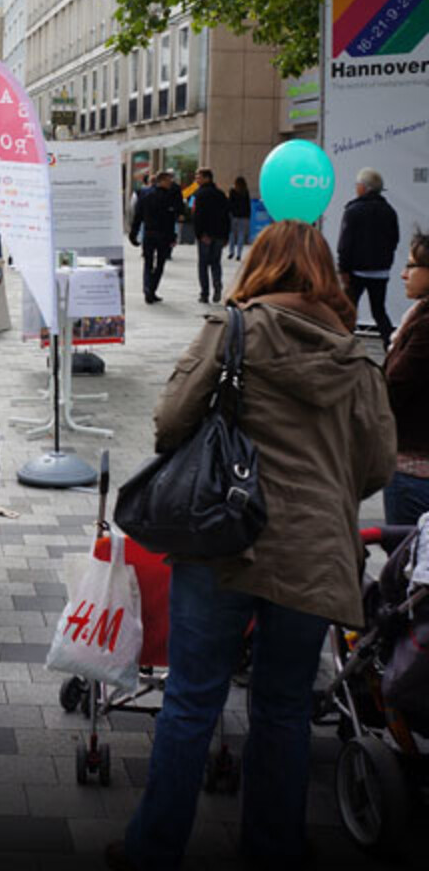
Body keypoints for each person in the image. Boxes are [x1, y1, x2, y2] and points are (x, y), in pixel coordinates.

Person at [109, 221, 395, 871]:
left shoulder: (235, 327)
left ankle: (153, 850)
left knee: (191, 697)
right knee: (285, 706)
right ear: (327, 274)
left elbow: (170, 421)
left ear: (259, 267)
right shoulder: (358, 355)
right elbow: (376, 465)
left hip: (223, 540)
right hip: (315, 554)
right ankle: (274, 847)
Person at [384, 232, 429, 525]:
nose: (403, 274)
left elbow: (394, 384)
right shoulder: (418, 318)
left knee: (408, 562)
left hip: (415, 470)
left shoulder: (425, 328)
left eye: (412, 266)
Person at [338, 167, 401, 349]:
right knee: (379, 311)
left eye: (357, 185)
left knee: (348, 312)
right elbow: (394, 240)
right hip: (381, 271)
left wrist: (343, 269)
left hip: (356, 271)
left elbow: (345, 243)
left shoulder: (353, 210)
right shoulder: (389, 211)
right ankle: (391, 346)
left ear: (364, 188)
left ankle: (343, 346)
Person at [130, 168, 185, 304]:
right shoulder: (168, 196)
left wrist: (134, 233)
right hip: (162, 234)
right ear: (161, 181)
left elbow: (138, 216)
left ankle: (149, 288)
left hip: (150, 233)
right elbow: (171, 218)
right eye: (168, 181)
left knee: (149, 263)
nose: (170, 183)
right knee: (159, 263)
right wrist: (173, 236)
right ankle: (151, 289)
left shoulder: (145, 193)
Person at [190, 169, 231, 304]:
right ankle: (217, 284)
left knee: (203, 264)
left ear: (207, 178)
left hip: (206, 235)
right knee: (215, 263)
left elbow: (198, 217)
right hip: (219, 235)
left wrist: (199, 234)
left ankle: (205, 293)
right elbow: (227, 217)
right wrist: (226, 236)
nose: (196, 179)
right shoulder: (221, 194)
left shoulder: (200, 194)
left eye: (199, 177)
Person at [227, 175, 252, 260]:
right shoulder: (246, 191)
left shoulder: (232, 191)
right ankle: (239, 254)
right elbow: (248, 204)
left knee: (232, 234)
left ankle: (231, 252)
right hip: (244, 216)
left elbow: (229, 203)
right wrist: (248, 215)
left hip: (234, 215)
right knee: (241, 235)